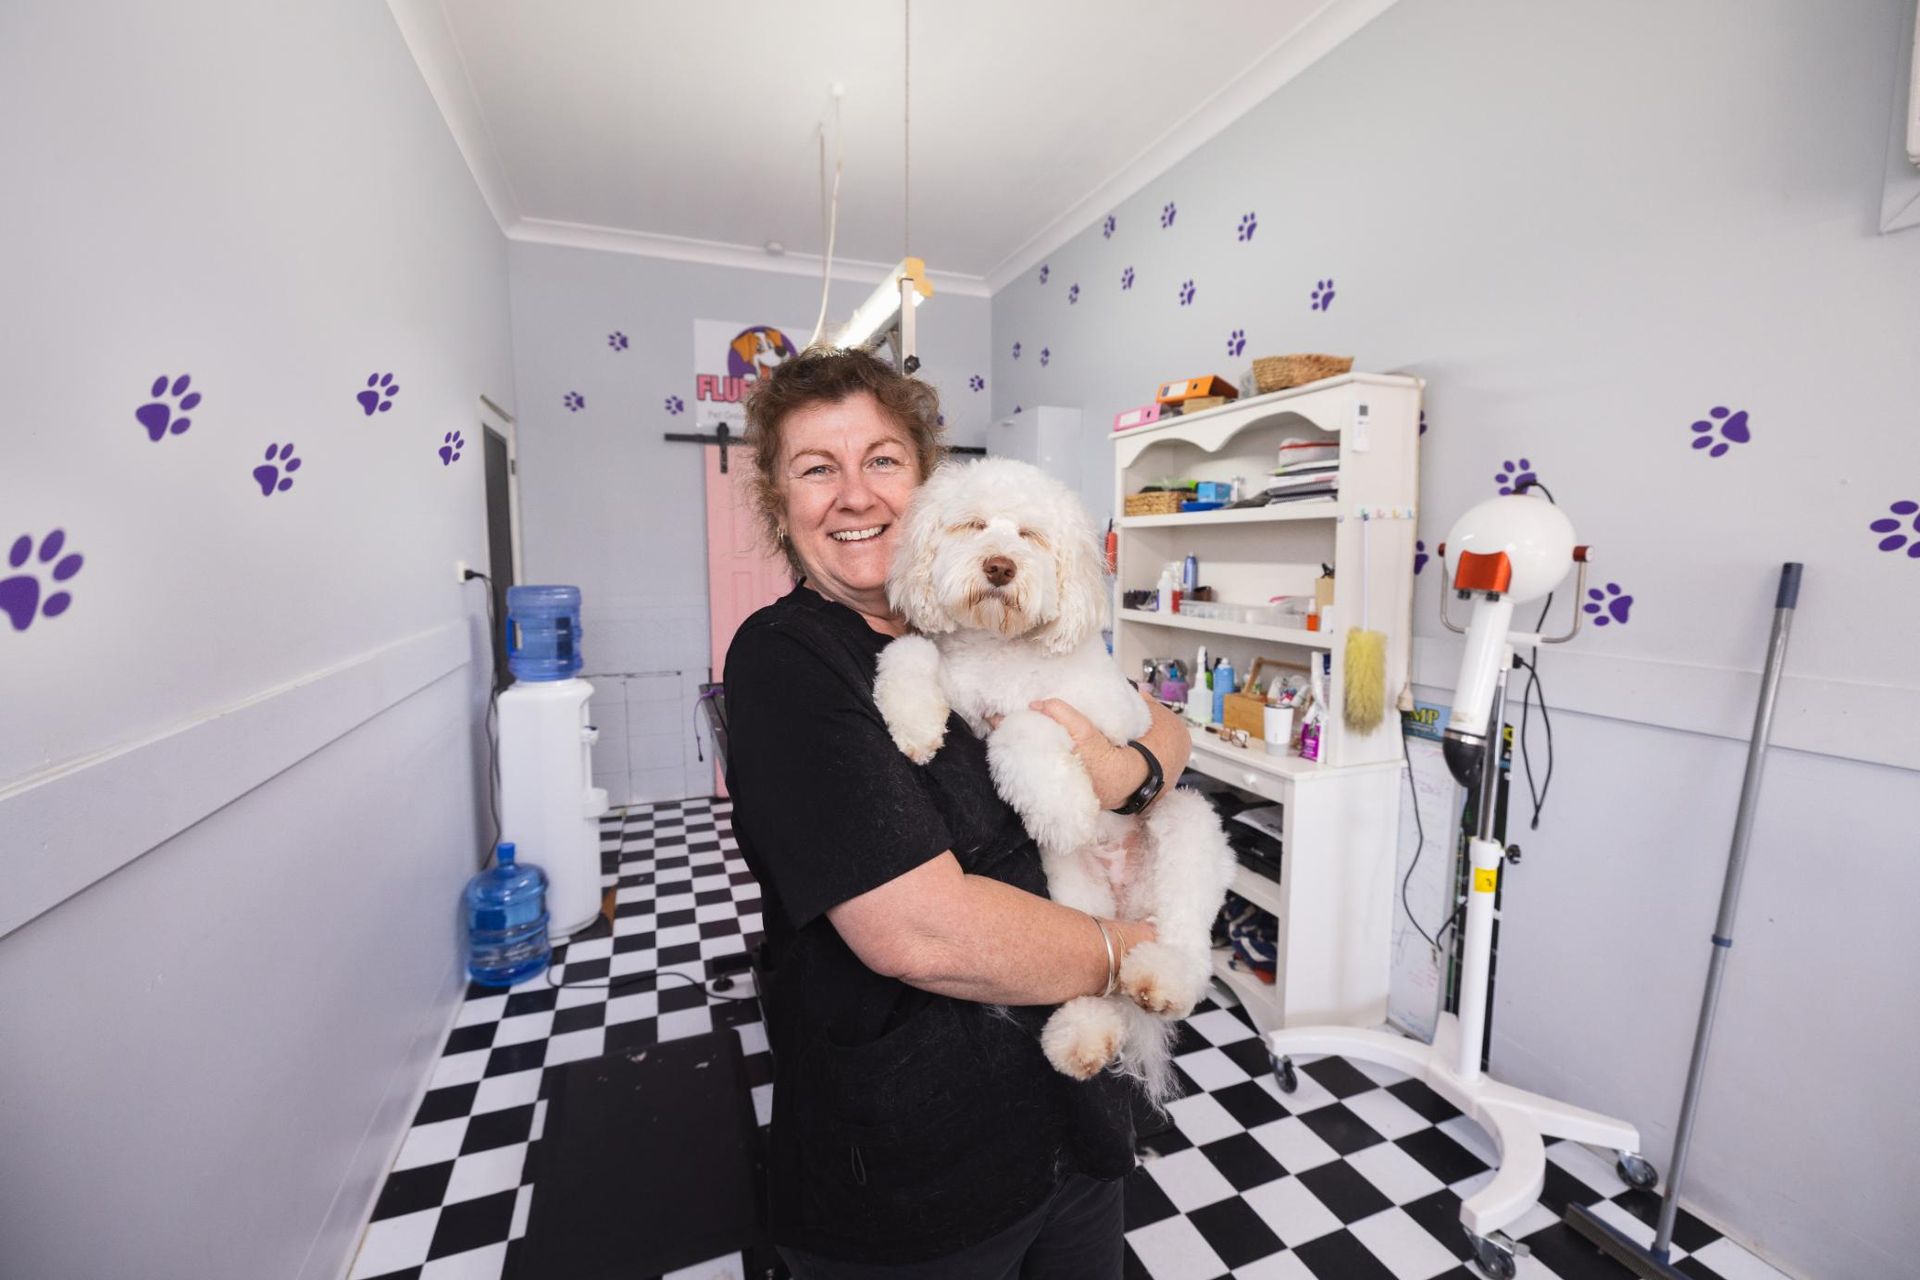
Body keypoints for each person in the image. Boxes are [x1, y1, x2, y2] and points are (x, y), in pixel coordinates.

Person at [723, 347, 1194, 1277]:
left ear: (928, 488)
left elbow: (1155, 717)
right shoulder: (789, 664)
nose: (855, 495)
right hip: (919, 1169)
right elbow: (922, 934)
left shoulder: (971, 613)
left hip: (1066, 1118)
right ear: (781, 506)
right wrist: (1133, 947)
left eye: (883, 460)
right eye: (818, 468)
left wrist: (1131, 772)